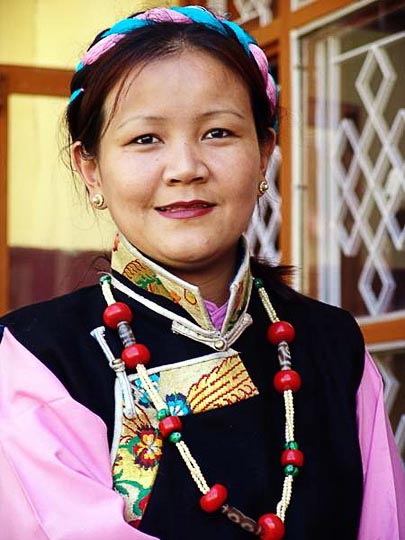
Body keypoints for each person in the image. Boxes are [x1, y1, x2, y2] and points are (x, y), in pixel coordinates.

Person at [0, 6, 403, 540]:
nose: (186, 167)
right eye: (145, 139)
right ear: (91, 169)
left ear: (264, 153)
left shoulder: (334, 347)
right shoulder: (36, 361)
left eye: (218, 132)